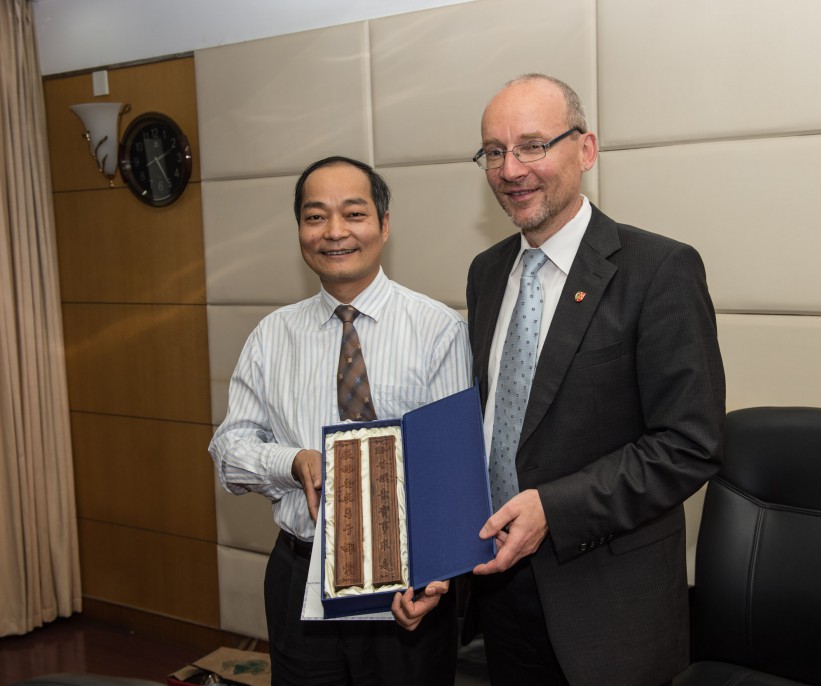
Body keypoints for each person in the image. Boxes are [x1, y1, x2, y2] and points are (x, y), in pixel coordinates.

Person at [466, 74, 725, 685]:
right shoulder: (486, 272)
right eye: (495, 152)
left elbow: (690, 444)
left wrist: (555, 510)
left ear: (585, 149)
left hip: (610, 609)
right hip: (500, 594)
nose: (511, 170)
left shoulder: (659, 270)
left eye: (532, 145)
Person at [209, 155, 472, 686]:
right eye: (315, 217)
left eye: (354, 214)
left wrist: (437, 577)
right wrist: (292, 462)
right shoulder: (271, 337)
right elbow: (229, 453)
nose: (334, 232)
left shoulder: (439, 329)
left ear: (384, 224)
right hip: (299, 572)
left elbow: (453, 471)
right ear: (299, 230)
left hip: (407, 582)